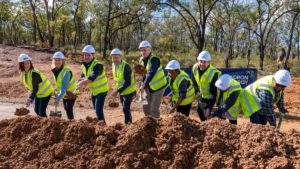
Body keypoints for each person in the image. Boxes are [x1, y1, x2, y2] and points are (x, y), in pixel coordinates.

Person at [77, 45, 109, 122]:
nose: (86, 57)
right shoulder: (84, 65)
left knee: (98, 110)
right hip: (94, 91)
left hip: (102, 91)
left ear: (93, 55)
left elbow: (92, 77)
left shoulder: (97, 65)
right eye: (85, 55)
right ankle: (102, 125)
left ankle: (103, 128)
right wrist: (80, 81)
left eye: (88, 55)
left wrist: (81, 83)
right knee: (96, 108)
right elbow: (83, 75)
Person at [138, 40, 167, 118]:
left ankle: (156, 126)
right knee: (145, 106)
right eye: (141, 50)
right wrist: (140, 85)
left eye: (145, 50)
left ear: (149, 50)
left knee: (154, 108)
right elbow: (141, 74)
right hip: (148, 87)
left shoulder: (154, 60)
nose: (143, 52)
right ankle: (149, 123)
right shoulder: (141, 60)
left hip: (158, 87)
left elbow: (151, 73)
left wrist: (143, 85)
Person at [191, 51, 221, 121]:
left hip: (211, 96)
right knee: (199, 110)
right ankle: (204, 124)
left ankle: (210, 125)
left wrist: (209, 107)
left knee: (207, 112)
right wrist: (197, 95)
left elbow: (213, 93)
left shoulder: (213, 73)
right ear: (198, 61)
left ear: (209, 62)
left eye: (204, 62)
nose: (202, 64)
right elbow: (194, 83)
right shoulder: (195, 68)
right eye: (200, 61)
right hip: (202, 94)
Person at [111, 48, 136, 124]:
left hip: (129, 91)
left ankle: (128, 125)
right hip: (122, 91)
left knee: (125, 108)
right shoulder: (113, 65)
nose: (115, 59)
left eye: (117, 57)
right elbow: (117, 79)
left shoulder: (126, 67)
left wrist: (117, 91)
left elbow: (127, 82)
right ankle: (129, 124)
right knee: (125, 109)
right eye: (113, 57)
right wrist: (115, 89)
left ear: (120, 57)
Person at [51, 52, 77, 120]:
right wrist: (56, 92)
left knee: (68, 108)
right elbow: (58, 83)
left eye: (59, 60)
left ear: (63, 61)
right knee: (66, 108)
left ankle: (72, 123)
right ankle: (70, 121)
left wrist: (58, 98)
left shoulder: (66, 72)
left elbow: (64, 86)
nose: (57, 61)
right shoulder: (55, 70)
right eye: (55, 60)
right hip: (64, 92)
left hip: (71, 92)